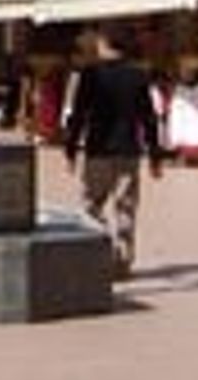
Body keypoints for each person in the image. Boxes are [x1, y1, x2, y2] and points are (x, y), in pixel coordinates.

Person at [64, 22, 163, 280]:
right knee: (126, 208)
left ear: (104, 44)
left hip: (98, 150)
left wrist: (71, 149)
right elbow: (149, 118)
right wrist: (155, 155)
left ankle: (98, 257)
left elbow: (79, 115)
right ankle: (122, 262)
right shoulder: (138, 75)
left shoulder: (91, 74)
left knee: (92, 206)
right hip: (129, 151)